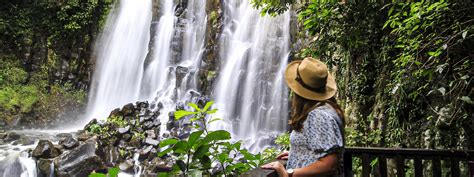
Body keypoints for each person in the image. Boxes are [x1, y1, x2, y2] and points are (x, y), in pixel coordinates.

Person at [261, 57, 345, 177]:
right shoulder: (327, 108)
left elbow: (329, 163)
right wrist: (298, 153)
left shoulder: (319, 115)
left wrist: (289, 173)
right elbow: (322, 150)